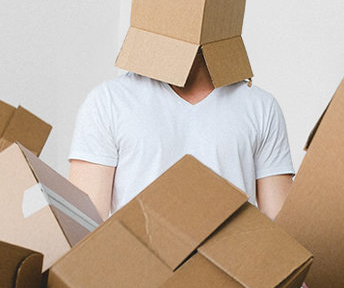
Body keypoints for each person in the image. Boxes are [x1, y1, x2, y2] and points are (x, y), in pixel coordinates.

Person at [68, 48, 294, 221]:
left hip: (229, 277)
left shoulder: (260, 106)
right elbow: (85, 228)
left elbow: (279, 230)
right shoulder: (109, 101)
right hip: (140, 277)